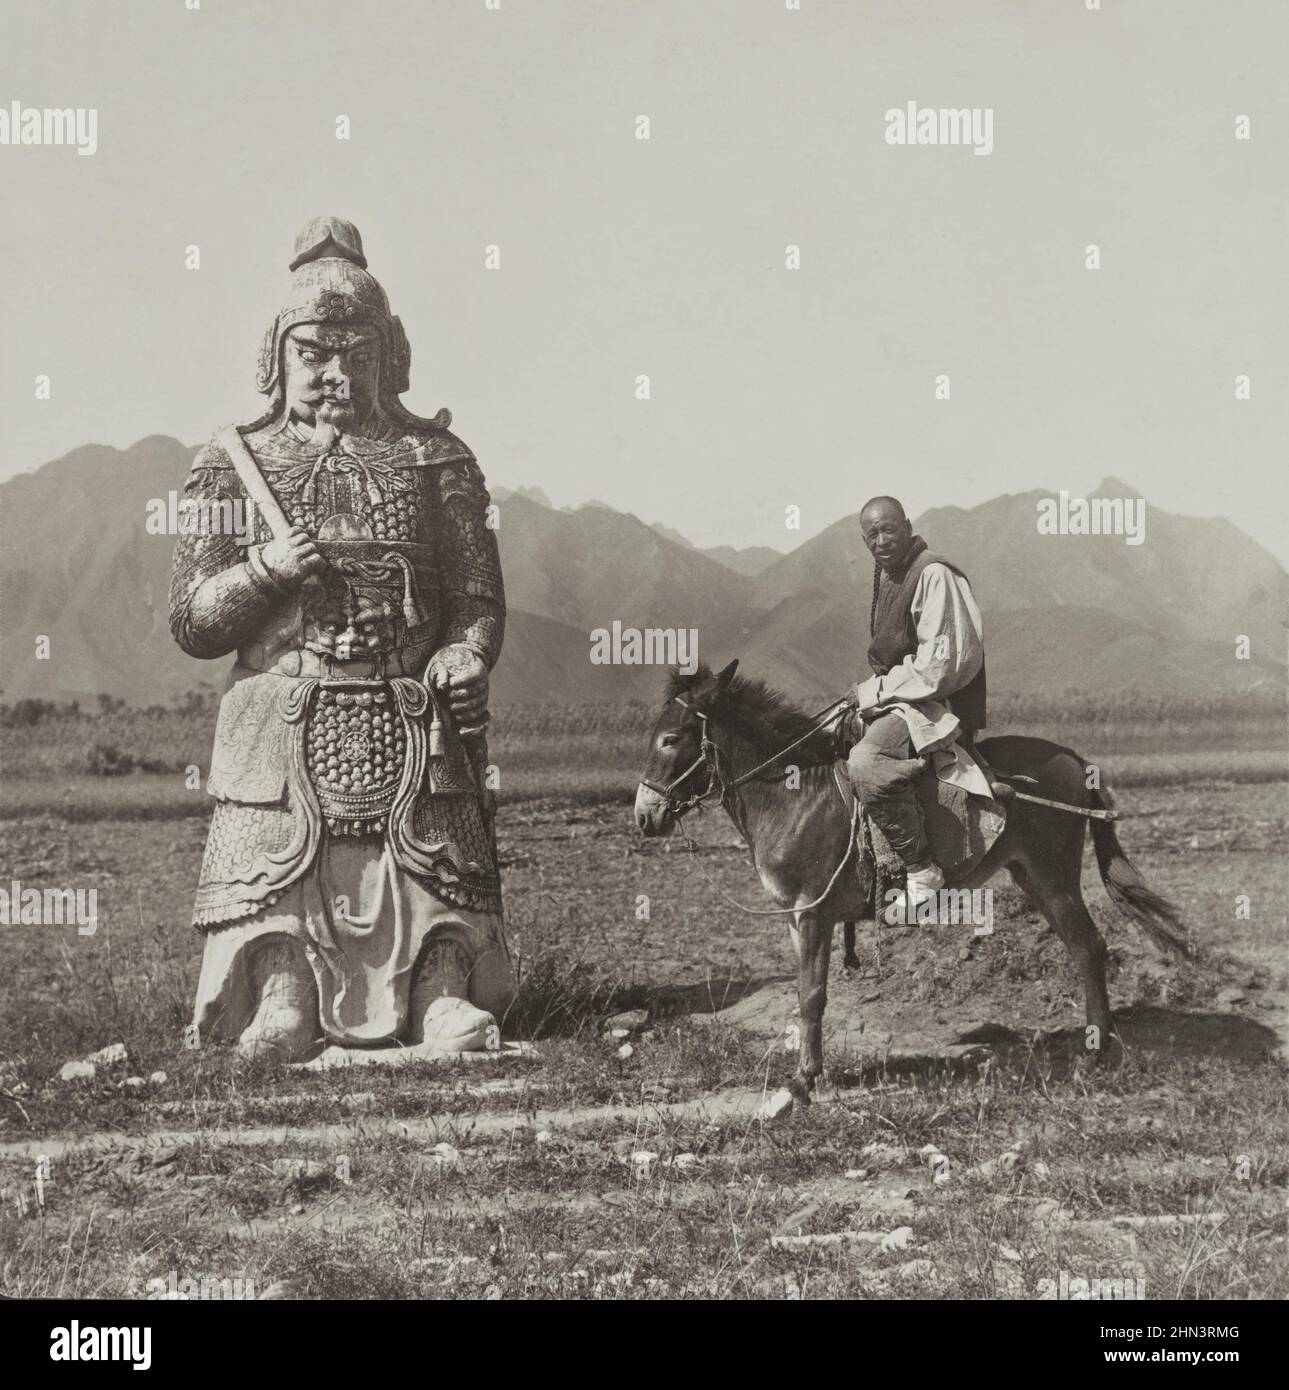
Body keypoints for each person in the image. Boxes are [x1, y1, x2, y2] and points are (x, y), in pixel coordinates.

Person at [169, 216, 516, 1060]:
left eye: (356, 354)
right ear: (276, 358)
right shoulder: (230, 464)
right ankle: (283, 997)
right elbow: (192, 619)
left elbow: (475, 596)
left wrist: (464, 651)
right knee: (279, 864)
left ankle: (437, 996)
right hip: (284, 707)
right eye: (314, 353)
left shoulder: (437, 460)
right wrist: (265, 572)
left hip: (406, 704)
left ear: (389, 356)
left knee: (429, 858)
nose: (334, 374)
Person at [847, 495, 988, 915]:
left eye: (889, 529)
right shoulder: (889, 577)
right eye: (872, 535)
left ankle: (920, 868)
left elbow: (939, 667)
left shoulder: (933, 574)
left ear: (908, 526)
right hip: (903, 697)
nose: (881, 540)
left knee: (866, 762)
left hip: (931, 703)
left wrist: (872, 692)